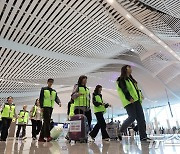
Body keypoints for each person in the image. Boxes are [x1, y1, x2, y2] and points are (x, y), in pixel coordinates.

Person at [116, 65, 151, 142]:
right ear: (125, 69)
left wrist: (140, 94)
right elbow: (124, 89)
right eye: (129, 67)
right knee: (132, 117)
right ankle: (120, 130)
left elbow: (136, 89)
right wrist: (129, 97)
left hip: (137, 100)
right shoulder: (121, 79)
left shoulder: (131, 79)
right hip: (129, 101)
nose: (131, 69)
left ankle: (143, 137)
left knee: (141, 118)